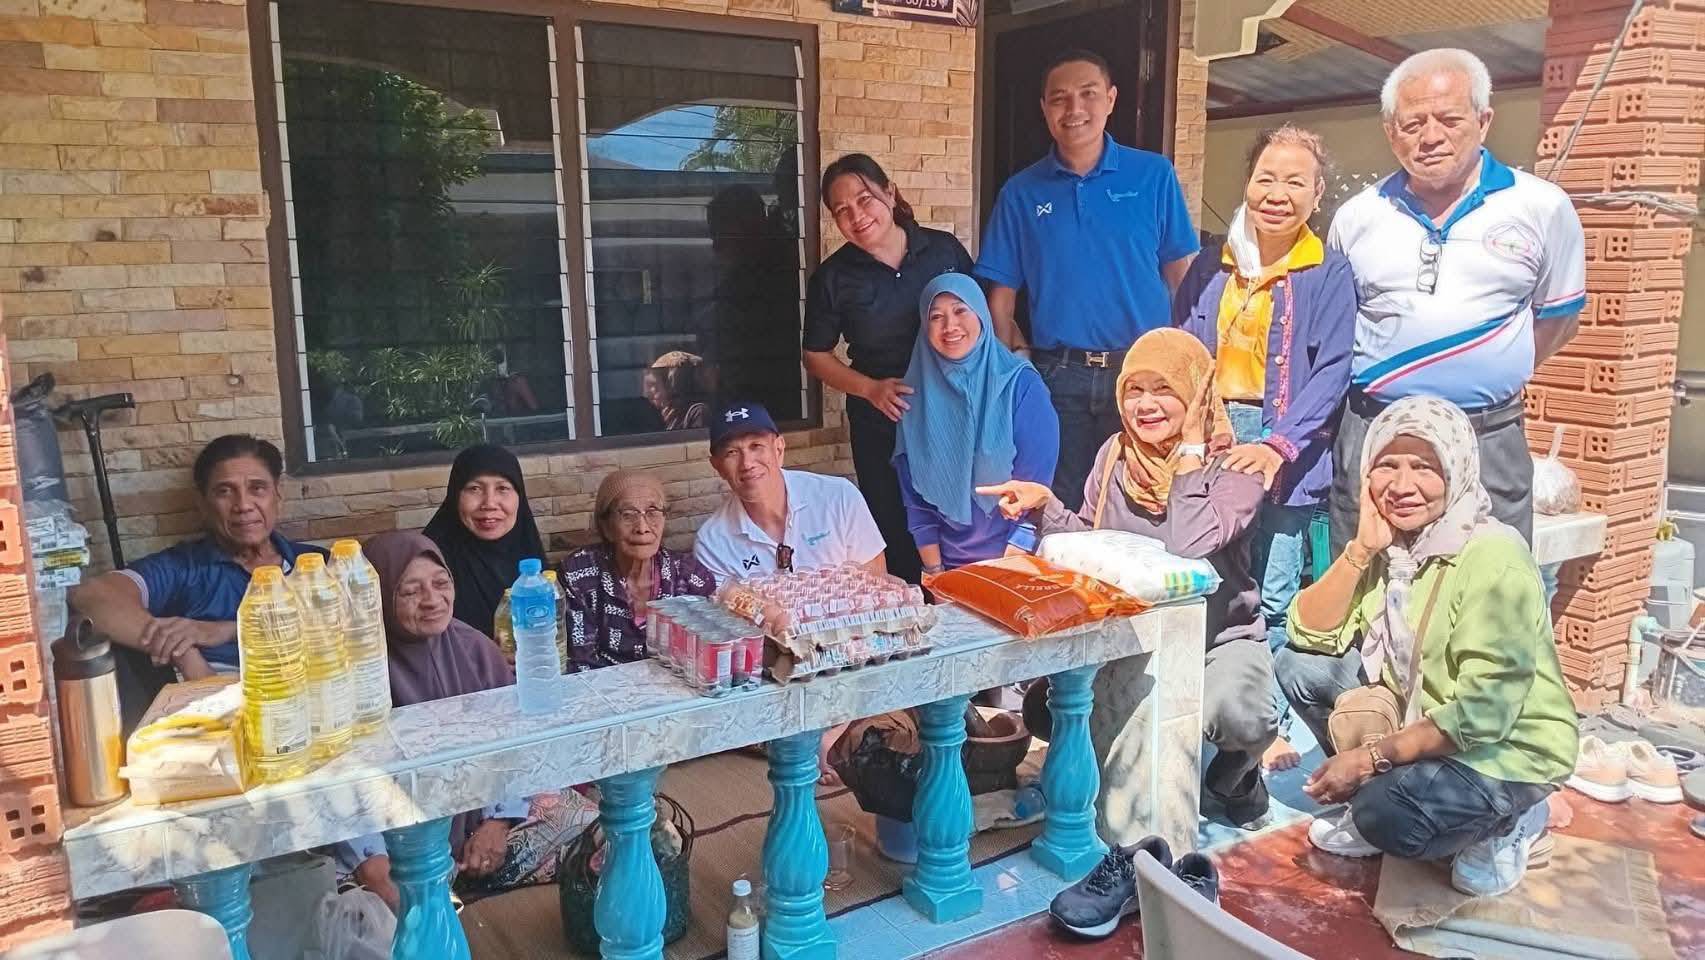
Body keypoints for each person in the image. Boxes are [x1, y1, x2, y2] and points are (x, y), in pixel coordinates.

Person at [978, 329, 1277, 830]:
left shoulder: (1235, 468)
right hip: (1130, 637)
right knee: (1044, 710)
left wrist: (1191, 451)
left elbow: (1188, 544)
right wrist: (1046, 506)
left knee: (1243, 716)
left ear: (1196, 394)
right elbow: (1096, 546)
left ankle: (1236, 779)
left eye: (1164, 389)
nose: (1145, 405)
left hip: (1215, 640)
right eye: (1134, 390)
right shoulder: (1115, 455)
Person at [1283, 397, 1578, 897]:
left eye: (1423, 467)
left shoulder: (1493, 556)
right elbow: (1307, 633)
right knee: (1301, 668)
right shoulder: (1395, 547)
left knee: (1388, 816)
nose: (1401, 486)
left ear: (1457, 468)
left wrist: (1370, 759)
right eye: (1387, 466)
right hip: (1423, 720)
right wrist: (1360, 550)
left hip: (1505, 748)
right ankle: (1395, 789)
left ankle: (1512, 819)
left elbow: (1483, 714)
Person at [1326, 48, 1585, 553]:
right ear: (1390, 132)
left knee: (1492, 582)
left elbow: (1558, 320)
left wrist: (1487, 370)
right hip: (1375, 434)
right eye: (1412, 123)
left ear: (1484, 121)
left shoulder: (1542, 207)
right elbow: (1339, 324)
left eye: (1448, 119)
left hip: (1488, 437)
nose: (1430, 137)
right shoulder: (1357, 216)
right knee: (1363, 578)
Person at [1174, 124, 1355, 771]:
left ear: (1317, 195)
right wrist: (1192, 430)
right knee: (1213, 582)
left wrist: (1279, 445)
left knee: (1272, 594)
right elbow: (1183, 347)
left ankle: (1263, 730)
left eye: (1295, 182)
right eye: (1265, 178)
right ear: (1247, 184)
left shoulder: (1326, 272)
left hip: (1287, 448)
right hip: (1215, 436)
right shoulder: (1211, 264)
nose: (1277, 193)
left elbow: (1333, 369)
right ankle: (1208, 713)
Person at [975, 48, 1200, 512]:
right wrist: (1012, 369)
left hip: (1142, 373)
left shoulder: (1152, 175)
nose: (1074, 109)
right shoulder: (1021, 192)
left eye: (1088, 94)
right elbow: (1001, 298)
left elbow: (1184, 276)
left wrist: (1190, 361)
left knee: (1146, 498)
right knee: (1062, 502)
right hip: (1058, 376)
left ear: (1111, 99)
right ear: (1044, 108)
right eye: (1059, 98)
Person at [336, 531, 596, 909]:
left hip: (476, 822)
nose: (432, 600)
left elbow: (517, 744)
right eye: (410, 591)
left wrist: (499, 821)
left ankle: (460, 878)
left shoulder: (473, 648)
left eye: (441, 583)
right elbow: (336, 783)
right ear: (376, 597)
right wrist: (371, 861)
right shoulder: (348, 672)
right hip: (387, 838)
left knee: (603, 832)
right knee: (350, 910)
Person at [803, 153, 975, 584]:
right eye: (842, 210)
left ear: (890, 193)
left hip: (954, 411)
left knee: (958, 522)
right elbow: (816, 355)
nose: (857, 216)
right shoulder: (833, 277)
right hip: (883, 420)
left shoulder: (942, 250)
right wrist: (870, 389)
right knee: (896, 531)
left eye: (864, 200)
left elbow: (980, 317)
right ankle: (910, 614)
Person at [69, 435, 324, 681]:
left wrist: (225, 630)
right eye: (225, 492)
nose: (243, 505)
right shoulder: (184, 568)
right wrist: (183, 653)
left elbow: (339, 622)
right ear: (203, 503)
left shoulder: (316, 564)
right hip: (219, 697)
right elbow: (90, 597)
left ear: (278, 495)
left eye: (257, 488)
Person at [894, 273, 1058, 572]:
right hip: (948, 569)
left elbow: (1035, 493)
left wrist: (1004, 574)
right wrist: (936, 574)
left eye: (960, 310)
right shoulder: (913, 398)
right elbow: (917, 505)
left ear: (981, 314)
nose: (950, 326)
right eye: (936, 316)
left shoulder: (1020, 386)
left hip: (1018, 562)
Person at [693, 402, 887, 581]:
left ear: (778, 449)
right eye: (732, 453)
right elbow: (725, 605)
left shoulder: (839, 497)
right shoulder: (712, 543)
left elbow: (877, 585)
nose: (747, 464)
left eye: (756, 446)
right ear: (717, 466)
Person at [558, 470, 717, 670]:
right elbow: (582, 663)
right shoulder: (579, 574)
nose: (642, 528)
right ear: (606, 526)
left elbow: (708, 653)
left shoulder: (691, 576)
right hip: (603, 684)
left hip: (675, 683)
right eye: (628, 514)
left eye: (652, 512)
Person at [422, 444, 546, 640]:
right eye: (475, 489)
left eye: (502, 488)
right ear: (455, 495)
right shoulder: (429, 562)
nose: (489, 503)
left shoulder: (529, 553)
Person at [643, 351, 709, 431]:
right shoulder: (655, 417)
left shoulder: (697, 412)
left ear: (669, 386)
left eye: (653, 385)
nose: (647, 393)